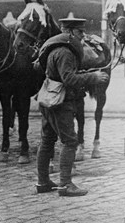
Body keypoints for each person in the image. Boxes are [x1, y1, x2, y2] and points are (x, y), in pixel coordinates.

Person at [34, 15, 109, 196]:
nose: (83, 36)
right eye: (80, 32)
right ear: (68, 32)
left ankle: (43, 182)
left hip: (48, 99)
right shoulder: (66, 52)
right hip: (61, 102)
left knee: (47, 140)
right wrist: (93, 77)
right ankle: (65, 184)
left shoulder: (54, 48)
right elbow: (69, 78)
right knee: (70, 141)